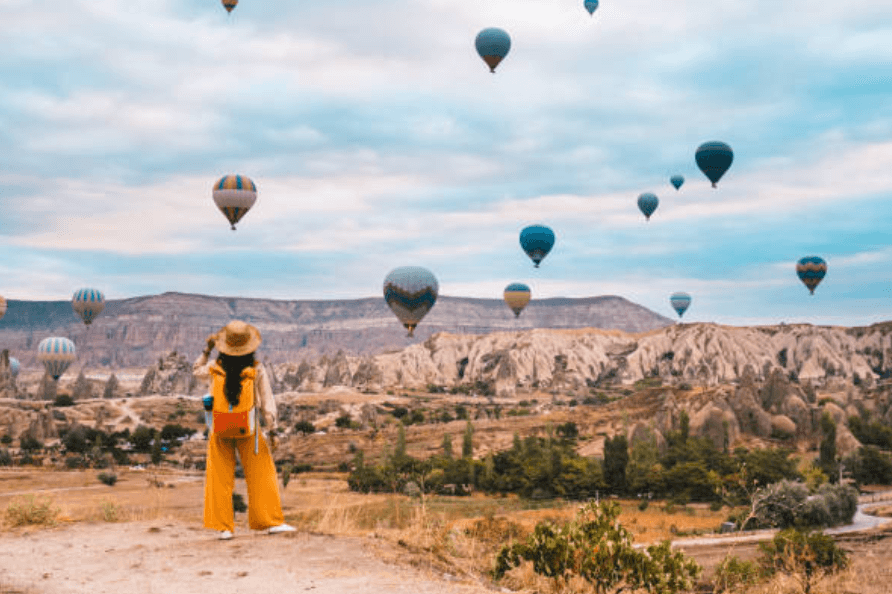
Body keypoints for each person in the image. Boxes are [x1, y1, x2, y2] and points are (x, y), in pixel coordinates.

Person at [193, 320, 295, 540]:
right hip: (249, 429)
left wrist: (207, 349)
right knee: (261, 474)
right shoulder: (256, 369)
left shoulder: (213, 368)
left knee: (219, 477)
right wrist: (273, 430)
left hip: (219, 429)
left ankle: (224, 528)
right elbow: (268, 402)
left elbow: (195, 371)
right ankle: (270, 522)